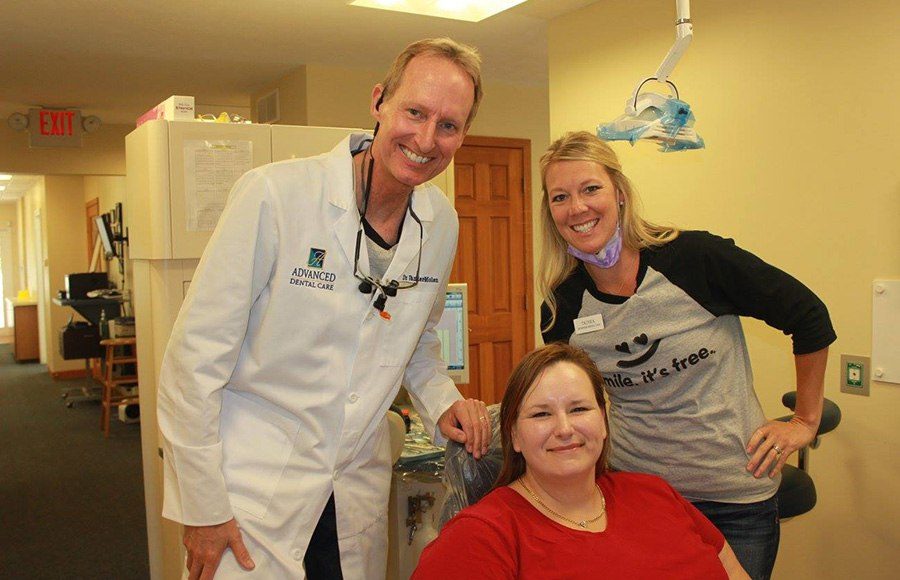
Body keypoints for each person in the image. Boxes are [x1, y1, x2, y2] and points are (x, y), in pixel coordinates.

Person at [157, 38, 493, 579]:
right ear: (379, 101)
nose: (426, 138)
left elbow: (418, 342)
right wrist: (202, 507)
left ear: (462, 136)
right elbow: (191, 363)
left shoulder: (440, 221)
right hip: (250, 493)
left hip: (352, 490)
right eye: (415, 112)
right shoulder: (274, 195)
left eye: (448, 125)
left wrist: (442, 404)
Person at [537, 131, 836, 579]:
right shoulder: (562, 306)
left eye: (590, 188)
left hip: (735, 498)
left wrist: (804, 422)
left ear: (619, 193)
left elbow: (809, 316)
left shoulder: (694, 260)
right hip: (637, 497)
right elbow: (572, 401)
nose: (577, 207)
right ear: (550, 212)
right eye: (560, 197)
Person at [413, 343, 748, 579]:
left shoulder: (655, 494)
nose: (564, 429)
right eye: (542, 414)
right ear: (514, 435)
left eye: (579, 409)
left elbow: (733, 572)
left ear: (603, 421)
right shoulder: (482, 536)